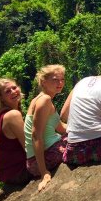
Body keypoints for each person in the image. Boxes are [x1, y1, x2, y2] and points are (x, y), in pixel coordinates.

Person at [24, 64, 67, 192]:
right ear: (43, 82)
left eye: (62, 79)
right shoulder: (44, 100)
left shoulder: (39, 99)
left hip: (40, 156)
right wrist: (44, 173)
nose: (60, 83)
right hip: (42, 158)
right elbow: (36, 135)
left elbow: (61, 128)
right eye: (55, 79)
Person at [0, 78, 32, 186]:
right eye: (7, 91)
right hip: (19, 172)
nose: (13, 92)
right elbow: (29, 147)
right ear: (1, 98)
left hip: (8, 175)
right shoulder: (12, 115)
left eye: (14, 88)